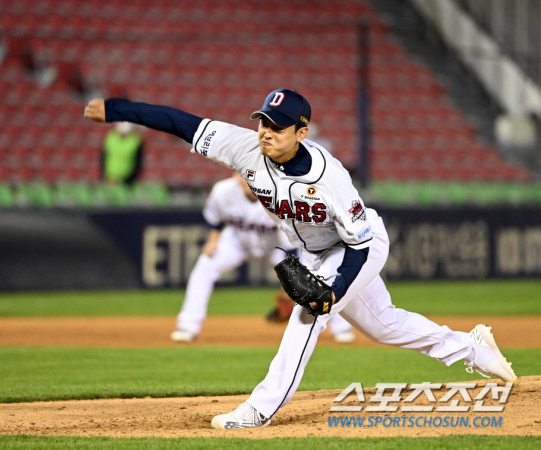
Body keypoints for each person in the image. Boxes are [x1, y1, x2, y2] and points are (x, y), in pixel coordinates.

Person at [84, 88, 517, 429]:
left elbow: (361, 246)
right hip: (315, 251)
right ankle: (471, 348)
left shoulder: (330, 178)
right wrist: (117, 109)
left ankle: (259, 408)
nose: (265, 131)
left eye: (277, 125)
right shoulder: (245, 148)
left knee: (307, 316)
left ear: (301, 132)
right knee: (386, 326)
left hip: (357, 246)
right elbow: (180, 122)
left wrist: (332, 292)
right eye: (262, 121)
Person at [171, 172, 355, 344]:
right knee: (205, 266)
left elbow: (292, 245)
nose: (244, 179)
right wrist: (213, 240)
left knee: (316, 276)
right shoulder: (223, 190)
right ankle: (188, 326)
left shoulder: (279, 197)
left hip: (276, 246)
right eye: (240, 174)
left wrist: (291, 283)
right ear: (235, 174)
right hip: (236, 242)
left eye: (249, 174)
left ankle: (341, 328)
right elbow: (214, 219)